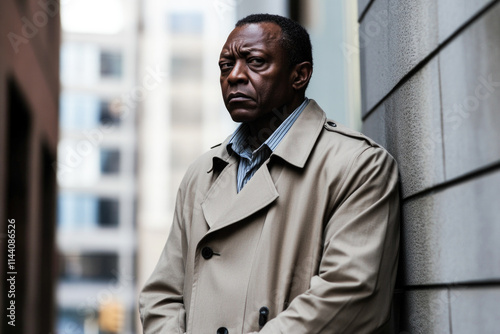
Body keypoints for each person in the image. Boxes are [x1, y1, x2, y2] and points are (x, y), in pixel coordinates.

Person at [139, 14, 400, 334]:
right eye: (225, 65)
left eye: (255, 61)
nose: (234, 76)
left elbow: (350, 294)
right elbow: (161, 295)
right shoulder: (201, 174)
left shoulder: (357, 164)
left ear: (299, 75)